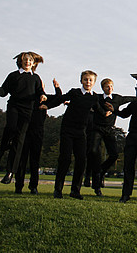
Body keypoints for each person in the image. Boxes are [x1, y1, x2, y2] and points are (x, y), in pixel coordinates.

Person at [44, 70, 106, 200]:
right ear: (81, 81)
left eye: (90, 80)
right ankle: (58, 190)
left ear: (94, 83)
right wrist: (47, 106)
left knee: (81, 161)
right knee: (65, 159)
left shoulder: (94, 97)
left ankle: (75, 190)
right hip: (67, 130)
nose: (87, 82)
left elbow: (99, 110)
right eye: (85, 79)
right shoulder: (74, 93)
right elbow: (60, 99)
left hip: (81, 132)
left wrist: (109, 112)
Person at [0, 52, 46, 185]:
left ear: (33, 63)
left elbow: (40, 92)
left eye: (30, 60)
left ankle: (9, 172)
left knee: (18, 140)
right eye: (25, 60)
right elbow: (3, 92)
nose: (27, 62)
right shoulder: (13, 76)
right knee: (10, 128)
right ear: (20, 62)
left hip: (27, 111)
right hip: (14, 107)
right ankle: (2, 149)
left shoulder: (36, 78)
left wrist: (43, 96)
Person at [88, 78, 135, 196]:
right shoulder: (97, 98)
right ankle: (96, 183)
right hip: (97, 128)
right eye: (107, 87)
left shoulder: (117, 98)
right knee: (93, 151)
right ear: (102, 88)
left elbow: (130, 99)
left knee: (114, 155)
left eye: (111, 87)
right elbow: (91, 104)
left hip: (109, 129)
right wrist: (104, 112)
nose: (110, 89)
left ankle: (101, 170)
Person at [14, 78, 62, 194]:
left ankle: (33, 186)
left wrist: (57, 87)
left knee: (35, 161)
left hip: (37, 132)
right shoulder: (28, 98)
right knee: (21, 160)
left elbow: (59, 98)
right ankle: (19, 186)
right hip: (24, 132)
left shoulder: (44, 99)